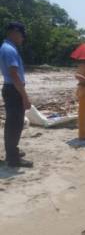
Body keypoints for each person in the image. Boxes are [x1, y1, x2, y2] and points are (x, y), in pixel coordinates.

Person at [0, 22, 33, 168]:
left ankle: (12, 151)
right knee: (14, 124)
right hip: (13, 90)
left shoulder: (7, 47)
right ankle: (12, 158)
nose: (23, 39)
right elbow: (14, 74)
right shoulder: (9, 50)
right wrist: (25, 97)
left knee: (14, 123)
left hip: (12, 89)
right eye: (22, 35)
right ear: (14, 32)